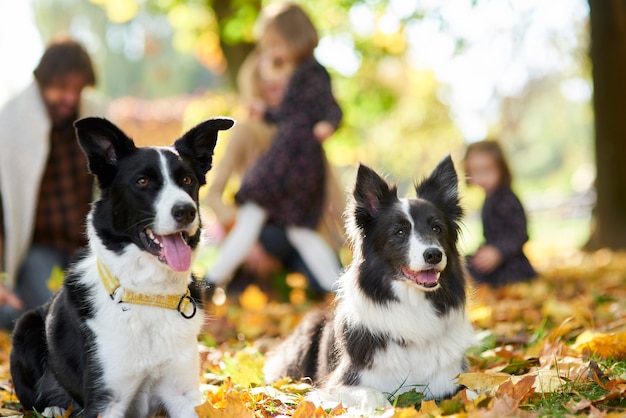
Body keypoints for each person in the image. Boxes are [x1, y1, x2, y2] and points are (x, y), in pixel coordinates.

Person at [206, 2, 343, 292]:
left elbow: (330, 111)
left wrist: (327, 125)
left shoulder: (310, 83)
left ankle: (336, 291)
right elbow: (214, 192)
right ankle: (216, 279)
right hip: (271, 212)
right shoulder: (247, 129)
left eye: (276, 48)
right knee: (257, 219)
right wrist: (265, 114)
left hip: (295, 194)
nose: (274, 83)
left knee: (297, 231)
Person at [0, 36, 108, 328]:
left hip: (85, 242)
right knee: (58, 316)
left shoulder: (96, 117)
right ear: (42, 82)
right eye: (62, 88)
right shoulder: (10, 124)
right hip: (38, 248)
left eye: (78, 88)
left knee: (103, 310)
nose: (71, 97)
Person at [464, 140, 537, 287]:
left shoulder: (506, 199)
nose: (481, 177)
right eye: (476, 171)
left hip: (511, 264)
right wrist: (483, 251)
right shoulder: (490, 198)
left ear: (501, 169)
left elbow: (519, 234)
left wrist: (498, 251)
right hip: (494, 259)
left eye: (487, 171)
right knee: (462, 263)